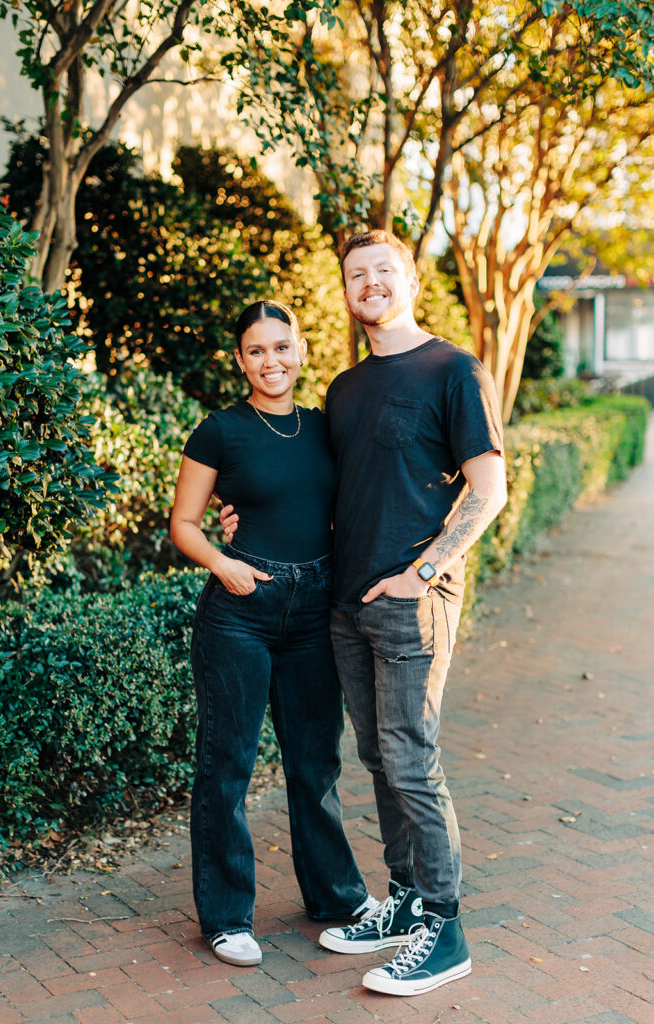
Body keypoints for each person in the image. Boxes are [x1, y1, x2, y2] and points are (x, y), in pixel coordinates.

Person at [223, 230, 506, 997]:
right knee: (379, 760)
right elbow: (324, 492)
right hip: (345, 605)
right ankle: (407, 900)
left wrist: (424, 571)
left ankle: (444, 933)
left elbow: (488, 489)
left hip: (412, 601)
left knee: (412, 760)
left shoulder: (453, 369)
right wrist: (241, 524)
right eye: (356, 274)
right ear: (345, 292)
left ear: (408, 279)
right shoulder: (344, 389)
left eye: (383, 270)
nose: (370, 282)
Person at [169, 299, 375, 969]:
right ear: (240, 360)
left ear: (301, 351)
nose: (271, 361)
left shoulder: (324, 428)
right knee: (226, 764)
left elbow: (345, 502)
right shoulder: (219, 431)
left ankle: (337, 898)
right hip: (241, 613)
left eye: (281, 347)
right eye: (256, 350)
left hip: (314, 612)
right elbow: (184, 523)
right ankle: (227, 917)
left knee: (315, 762)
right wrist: (224, 564)